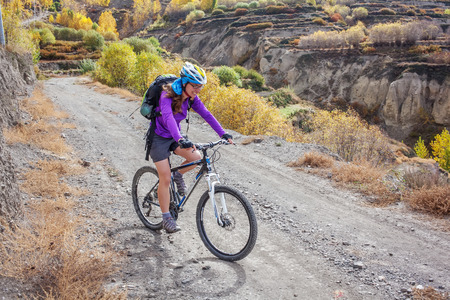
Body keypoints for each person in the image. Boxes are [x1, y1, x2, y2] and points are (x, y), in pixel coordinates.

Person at [149, 62, 233, 233]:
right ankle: (166, 218)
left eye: (200, 86)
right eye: (194, 86)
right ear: (185, 82)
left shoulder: (192, 97)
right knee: (165, 178)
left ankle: (178, 175)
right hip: (158, 138)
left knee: (196, 158)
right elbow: (168, 118)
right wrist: (180, 139)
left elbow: (206, 114)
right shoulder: (167, 94)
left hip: (175, 136)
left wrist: (222, 133)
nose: (197, 89)